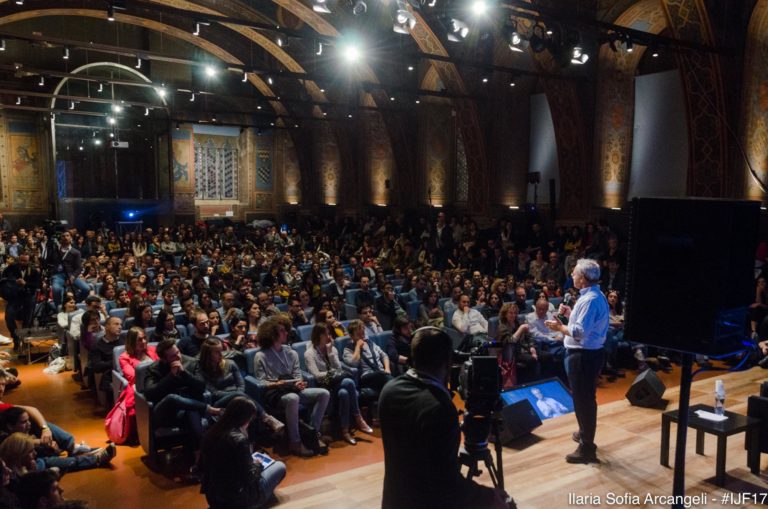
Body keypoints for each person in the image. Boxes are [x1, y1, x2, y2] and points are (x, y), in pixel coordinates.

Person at [379, 327, 509, 509]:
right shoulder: (438, 408)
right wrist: (489, 497)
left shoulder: (389, 391)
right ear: (448, 362)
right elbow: (446, 484)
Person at [545, 258, 609, 464]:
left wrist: (559, 328)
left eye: (574, 273)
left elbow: (579, 333)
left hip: (582, 356)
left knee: (583, 400)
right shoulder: (594, 296)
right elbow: (585, 326)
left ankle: (587, 448)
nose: (571, 275)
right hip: (588, 354)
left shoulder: (589, 300)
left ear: (583, 278)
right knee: (584, 398)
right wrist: (571, 314)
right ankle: (584, 433)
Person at [253, 316, 330, 457]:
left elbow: (297, 375)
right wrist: (276, 383)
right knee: (293, 398)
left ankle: (313, 433)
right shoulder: (261, 356)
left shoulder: (291, 353)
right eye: (282, 331)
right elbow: (261, 383)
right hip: (275, 393)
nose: (286, 333)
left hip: (291, 389)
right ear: (272, 333)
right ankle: (295, 442)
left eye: (285, 330)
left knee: (324, 393)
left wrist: (299, 382)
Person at [200, 397, 287, 509]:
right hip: (238, 499)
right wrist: (258, 464)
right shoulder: (239, 440)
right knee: (280, 466)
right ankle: (256, 502)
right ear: (246, 419)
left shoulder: (209, 434)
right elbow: (249, 476)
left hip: (214, 498)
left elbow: (202, 468)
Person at [143, 339, 223, 457]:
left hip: (188, 408)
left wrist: (184, 373)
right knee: (171, 398)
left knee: (192, 412)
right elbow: (149, 393)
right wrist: (171, 376)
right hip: (165, 413)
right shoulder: (154, 368)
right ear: (164, 359)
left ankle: (199, 457)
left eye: (178, 352)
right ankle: (208, 409)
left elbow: (201, 386)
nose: (178, 357)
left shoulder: (191, 362)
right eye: (173, 356)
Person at [303, 324, 372, 445]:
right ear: (318, 336)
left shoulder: (332, 349)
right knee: (348, 382)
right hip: (323, 386)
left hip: (337, 383)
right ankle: (358, 418)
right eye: (325, 334)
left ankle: (345, 431)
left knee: (344, 392)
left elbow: (339, 367)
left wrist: (330, 352)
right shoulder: (309, 353)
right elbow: (317, 375)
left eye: (329, 333)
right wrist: (332, 373)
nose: (329, 336)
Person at [2, 253, 40, 351]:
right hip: (14, 297)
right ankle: (16, 338)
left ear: (29, 261)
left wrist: (26, 284)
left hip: (28, 296)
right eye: (21, 260)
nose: (22, 262)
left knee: (28, 320)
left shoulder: (34, 270)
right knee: (8, 317)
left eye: (25, 261)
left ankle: (25, 340)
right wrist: (14, 281)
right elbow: (3, 279)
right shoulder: (12, 267)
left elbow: (37, 285)